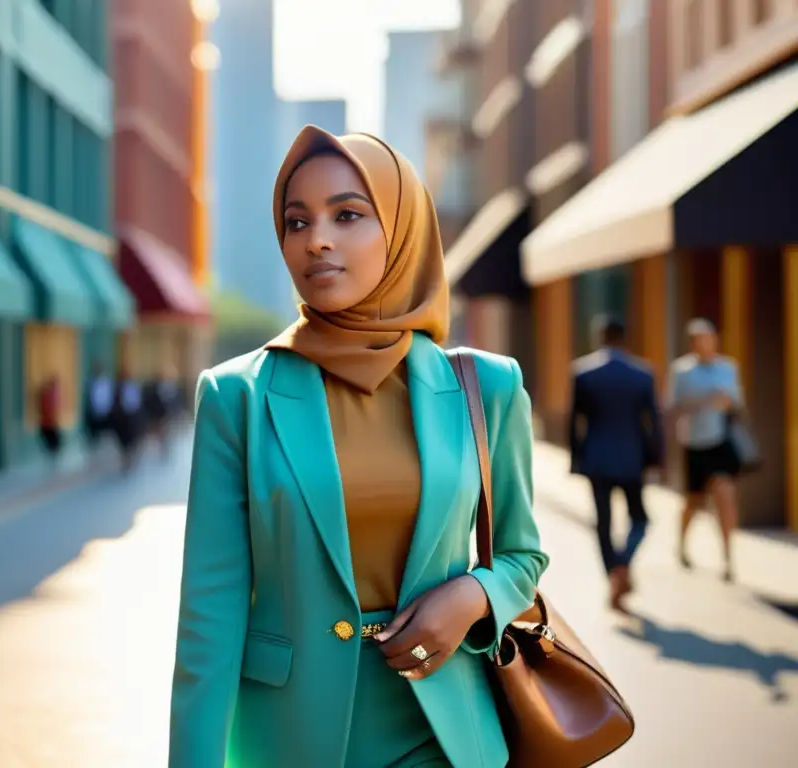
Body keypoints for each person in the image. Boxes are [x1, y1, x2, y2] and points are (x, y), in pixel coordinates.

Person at [169, 125, 548, 768]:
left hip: (446, 734)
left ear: (400, 231)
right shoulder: (237, 398)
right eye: (296, 221)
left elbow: (522, 554)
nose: (316, 238)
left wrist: (473, 597)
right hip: (289, 740)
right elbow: (208, 622)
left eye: (347, 215)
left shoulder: (488, 387)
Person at [569, 316, 663, 612]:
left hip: (596, 458)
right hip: (632, 458)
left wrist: (577, 459)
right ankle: (623, 564)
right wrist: (655, 459)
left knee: (604, 522)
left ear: (600, 337)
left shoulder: (584, 373)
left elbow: (575, 421)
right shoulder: (643, 374)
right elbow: (654, 423)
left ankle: (614, 572)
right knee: (640, 519)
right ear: (624, 338)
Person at [666, 318, 743, 582]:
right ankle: (682, 544)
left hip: (719, 441)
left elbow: (737, 403)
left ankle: (728, 557)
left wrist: (725, 401)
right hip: (694, 443)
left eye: (710, 338)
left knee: (725, 494)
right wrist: (702, 401)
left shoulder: (728, 368)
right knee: (694, 502)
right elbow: (672, 406)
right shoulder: (682, 371)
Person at [84, 359, 115, 452]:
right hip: (94, 413)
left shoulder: (106, 383)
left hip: (104, 413)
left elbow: (108, 398)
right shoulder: (92, 382)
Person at [37, 374, 63, 462]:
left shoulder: (53, 395)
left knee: (55, 443)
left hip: (50, 423)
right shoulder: (47, 395)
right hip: (48, 423)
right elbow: (47, 410)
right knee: (52, 442)